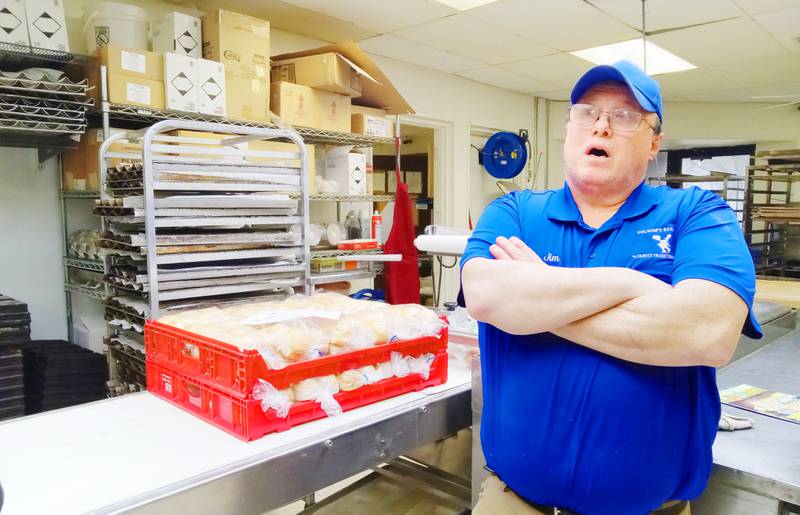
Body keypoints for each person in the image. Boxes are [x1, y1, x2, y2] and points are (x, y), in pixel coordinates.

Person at [461, 60, 762, 515]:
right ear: (569, 127)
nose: (600, 128)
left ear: (653, 143)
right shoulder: (515, 211)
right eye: (586, 113)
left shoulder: (697, 212)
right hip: (513, 501)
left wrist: (537, 298)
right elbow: (486, 297)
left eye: (624, 117)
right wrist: (633, 284)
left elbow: (708, 333)